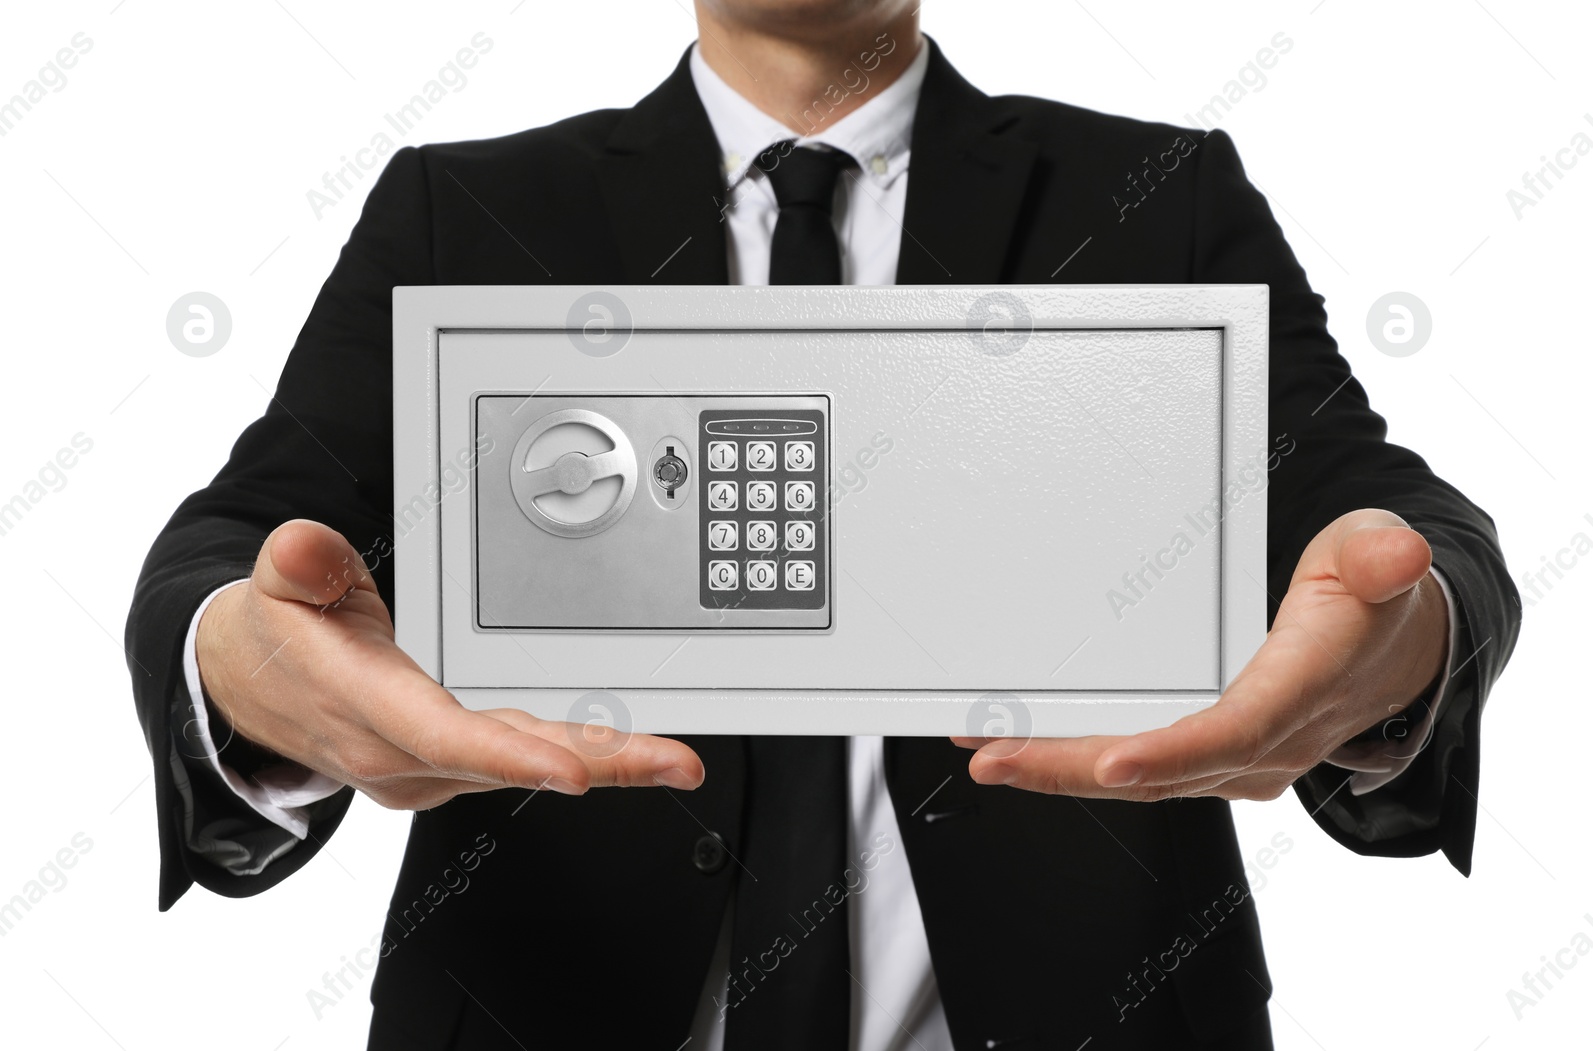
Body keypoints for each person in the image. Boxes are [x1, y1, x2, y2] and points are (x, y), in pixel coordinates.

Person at [124, 2, 1519, 1048]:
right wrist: (252, 666)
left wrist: (1403, 642)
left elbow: (1383, 519)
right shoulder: (474, 210)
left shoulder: (1155, 199)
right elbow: (236, 555)